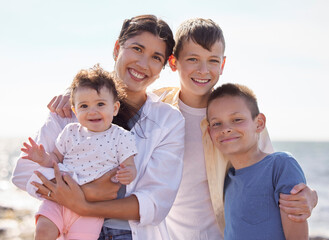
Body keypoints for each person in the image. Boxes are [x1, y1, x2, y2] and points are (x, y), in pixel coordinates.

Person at [42, 18, 318, 239]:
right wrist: (74, 97)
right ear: (173, 63)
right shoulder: (158, 105)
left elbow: (268, 172)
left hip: (219, 234)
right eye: (192, 59)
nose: (202, 69)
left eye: (212, 60)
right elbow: (112, 95)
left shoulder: (234, 120)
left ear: (223, 65)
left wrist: (309, 196)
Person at [12, 15, 185, 240]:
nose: (143, 64)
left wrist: (85, 205)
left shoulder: (167, 121)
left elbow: (155, 203)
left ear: (162, 67)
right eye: (137, 49)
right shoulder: (72, 107)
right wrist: (86, 192)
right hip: (70, 229)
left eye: (155, 57)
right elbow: (24, 172)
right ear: (117, 48)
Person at [21, 65, 138, 240]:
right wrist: (42, 158)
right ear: (75, 110)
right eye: (84, 106)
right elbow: (55, 159)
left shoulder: (121, 137)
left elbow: (130, 167)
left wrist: (128, 174)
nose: (92, 111)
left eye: (100, 104)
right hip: (58, 200)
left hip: (90, 209)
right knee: (43, 232)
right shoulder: (70, 131)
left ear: (114, 108)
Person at [207, 83, 308, 240]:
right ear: (209, 132)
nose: (226, 128)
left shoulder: (281, 165)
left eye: (237, 119)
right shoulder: (226, 180)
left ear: (259, 123)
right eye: (217, 123)